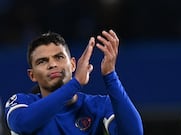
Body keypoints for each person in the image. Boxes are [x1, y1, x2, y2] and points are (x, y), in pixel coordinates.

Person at [5, 30, 143, 135]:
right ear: (32, 75)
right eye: (42, 61)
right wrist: (75, 83)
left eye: (59, 57)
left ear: (72, 65)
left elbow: (134, 133)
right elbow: (23, 124)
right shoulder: (21, 102)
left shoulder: (99, 106)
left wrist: (110, 75)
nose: (52, 64)